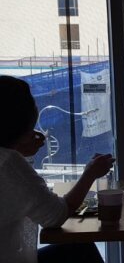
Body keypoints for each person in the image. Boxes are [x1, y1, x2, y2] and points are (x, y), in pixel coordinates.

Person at [0, 76, 115, 263]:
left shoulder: (9, 159)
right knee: (80, 248)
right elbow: (54, 216)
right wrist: (90, 173)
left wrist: (18, 148)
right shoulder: (9, 163)